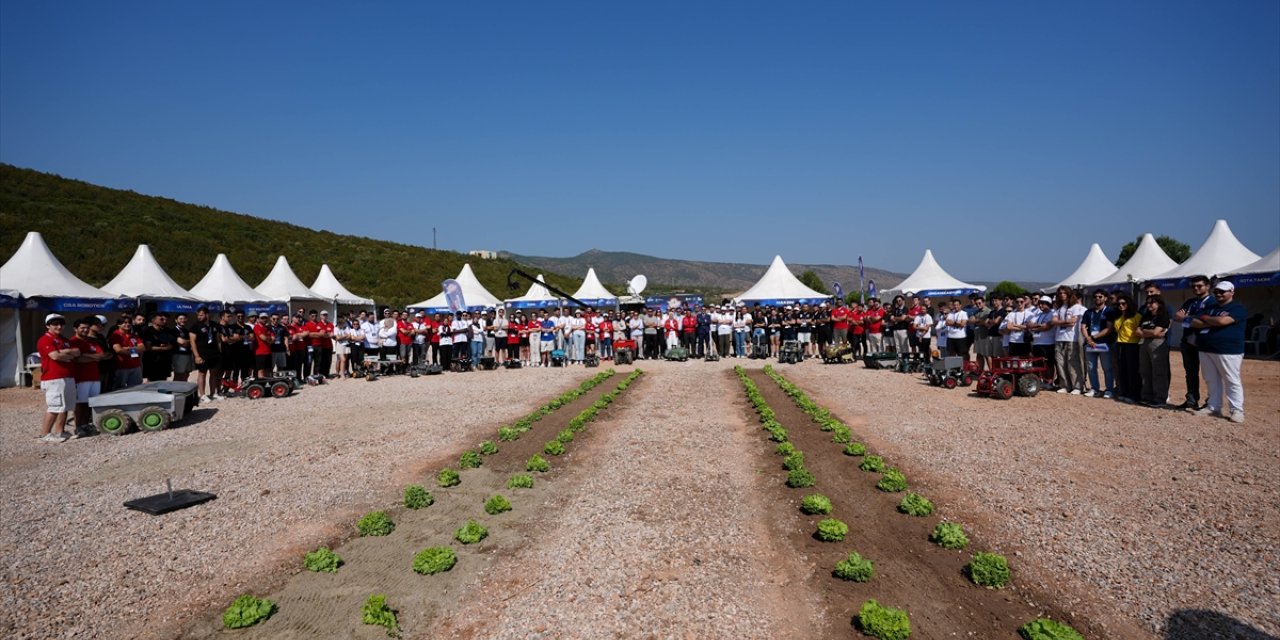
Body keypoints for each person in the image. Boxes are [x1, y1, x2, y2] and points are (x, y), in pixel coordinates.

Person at [1189, 281, 1246, 423]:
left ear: (1232, 292)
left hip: (1228, 350)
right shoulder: (1211, 307)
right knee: (1210, 379)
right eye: (1216, 292)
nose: (1219, 294)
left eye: (1222, 291)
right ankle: (1214, 406)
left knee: (1231, 380)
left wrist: (1206, 319)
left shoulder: (1237, 308)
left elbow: (1223, 322)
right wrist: (1212, 320)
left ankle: (1236, 409)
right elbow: (1193, 321)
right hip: (1206, 347)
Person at [36, 314, 79, 443]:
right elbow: (55, 356)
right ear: (48, 325)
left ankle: (60, 431)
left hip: (67, 376)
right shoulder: (45, 339)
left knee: (64, 406)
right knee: (54, 406)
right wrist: (67, 353)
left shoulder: (64, 340)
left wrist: (64, 353)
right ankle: (45, 434)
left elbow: (77, 352)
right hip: (54, 377)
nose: (59, 326)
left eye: (61, 324)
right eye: (55, 324)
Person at [1172, 275, 1213, 409]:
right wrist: (1194, 320)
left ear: (1208, 286)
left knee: (1209, 373)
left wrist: (1188, 318)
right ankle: (1191, 400)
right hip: (1187, 341)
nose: (1196, 288)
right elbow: (1177, 316)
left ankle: (1212, 401)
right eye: (1194, 286)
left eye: (1200, 286)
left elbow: (1205, 322)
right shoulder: (1190, 302)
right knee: (1190, 373)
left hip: (1206, 342)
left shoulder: (1212, 302)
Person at [69, 316, 110, 437]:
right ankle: (78, 426)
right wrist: (94, 356)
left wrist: (88, 356)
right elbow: (77, 359)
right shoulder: (73, 342)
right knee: (80, 404)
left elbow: (102, 354)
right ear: (75, 329)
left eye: (87, 328)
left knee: (90, 403)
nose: (85, 330)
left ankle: (86, 424)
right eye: (82, 328)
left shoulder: (92, 341)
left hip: (94, 376)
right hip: (81, 378)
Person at [1081, 289, 1117, 398]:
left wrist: (1093, 337)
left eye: (1100, 296)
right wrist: (1088, 339)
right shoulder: (1088, 312)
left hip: (1104, 343)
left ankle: (1109, 389)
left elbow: (1109, 328)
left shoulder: (1109, 311)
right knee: (1091, 368)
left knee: (1107, 368)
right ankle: (1094, 388)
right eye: (1095, 297)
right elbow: (1083, 326)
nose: (1097, 298)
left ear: (1105, 298)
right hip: (1090, 344)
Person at [1138, 295, 1172, 407]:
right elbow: (1137, 331)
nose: (1149, 305)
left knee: (1159, 371)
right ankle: (1147, 396)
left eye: (1152, 303)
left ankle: (1160, 398)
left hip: (1158, 344)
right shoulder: (1146, 315)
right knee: (1145, 371)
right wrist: (1150, 332)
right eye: (1147, 303)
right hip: (1145, 343)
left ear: (1159, 304)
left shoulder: (1163, 315)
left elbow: (1156, 333)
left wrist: (1146, 331)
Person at [1051, 288, 1086, 394]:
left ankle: (1077, 386)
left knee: (1072, 363)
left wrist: (1059, 322)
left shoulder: (1076, 307)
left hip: (1071, 338)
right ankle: (1065, 385)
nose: (1062, 295)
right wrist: (1065, 321)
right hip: (1059, 338)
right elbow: (1053, 321)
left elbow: (1073, 322)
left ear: (1069, 294)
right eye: (1060, 293)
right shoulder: (1060, 308)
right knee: (1060, 363)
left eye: (1064, 293)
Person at [1112, 293, 1142, 404]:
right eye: (1119, 304)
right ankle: (1124, 392)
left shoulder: (1136, 316)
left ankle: (1134, 394)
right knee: (1122, 370)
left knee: (1132, 370)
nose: (1121, 305)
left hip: (1132, 344)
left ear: (1128, 304)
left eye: (1123, 303)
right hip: (1120, 344)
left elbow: (1139, 331)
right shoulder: (1119, 317)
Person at [189, 306, 222, 401]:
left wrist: (220, 352)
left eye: (201, 315)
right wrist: (197, 356)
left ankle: (213, 393)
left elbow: (218, 339)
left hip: (214, 353)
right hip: (202, 353)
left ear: (207, 315)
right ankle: (202, 395)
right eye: (198, 315)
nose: (199, 317)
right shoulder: (195, 326)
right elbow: (192, 342)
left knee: (214, 373)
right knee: (202, 373)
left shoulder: (214, 325)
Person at [110, 317, 145, 389]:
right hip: (122, 367)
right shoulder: (115, 335)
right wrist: (135, 350)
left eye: (129, 322)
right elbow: (118, 350)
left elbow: (143, 348)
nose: (128, 324)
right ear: (119, 325)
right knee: (119, 389)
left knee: (136, 388)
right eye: (125, 323)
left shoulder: (134, 336)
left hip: (136, 366)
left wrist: (129, 349)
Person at [140, 313, 177, 383]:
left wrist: (166, 346)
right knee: (152, 381)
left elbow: (170, 343)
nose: (163, 321)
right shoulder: (148, 331)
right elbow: (148, 347)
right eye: (161, 319)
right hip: (153, 361)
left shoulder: (165, 331)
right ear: (153, 320)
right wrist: (164, 348)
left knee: (163, 380)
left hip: (164, 361)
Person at [171, 313, 193, 382]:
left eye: (184, 319)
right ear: (176, 320)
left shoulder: (187, 331)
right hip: (179, 355)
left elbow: (190, 343)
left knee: (186, 374)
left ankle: (183, 390)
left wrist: (187, 342)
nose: (182, 320)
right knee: (178, 375)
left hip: (188, 355)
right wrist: (189, 342)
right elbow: (182, 342)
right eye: (180, 319)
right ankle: (176, 391)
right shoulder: (173, 330)